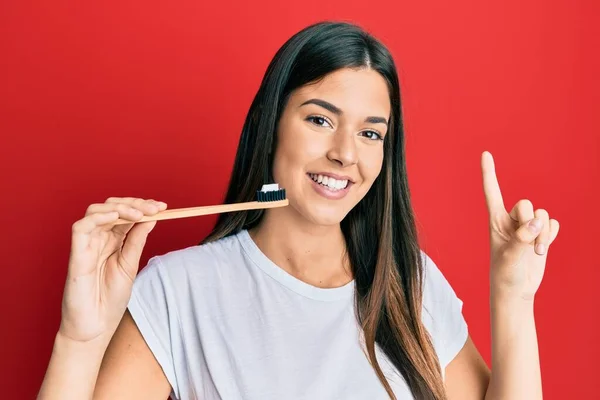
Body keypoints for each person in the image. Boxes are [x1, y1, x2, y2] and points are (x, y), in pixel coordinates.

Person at [38, 21, 559, 400]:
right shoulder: (178, 290)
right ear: (272, 122)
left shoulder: (410, 284)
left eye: (371, 132)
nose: (346, 154)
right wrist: (78, 337)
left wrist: (513, 297)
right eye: (319, 120)